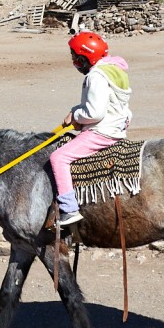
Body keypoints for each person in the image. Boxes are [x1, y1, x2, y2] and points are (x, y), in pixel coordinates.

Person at [49, 31, 133, 227]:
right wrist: (77, 112)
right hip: (117, 127)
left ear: (84, 58)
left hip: (102, 131)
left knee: (58, 158)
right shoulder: (114, 69)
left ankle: (69, 209)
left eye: (75, 57)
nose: (74, 61)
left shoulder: (96, 76)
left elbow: (95, 113)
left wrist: (76, 115)